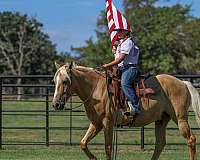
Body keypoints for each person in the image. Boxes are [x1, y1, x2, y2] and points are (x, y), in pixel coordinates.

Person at [102, 28, 140, 115]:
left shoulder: (128, 42)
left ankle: (135, 106)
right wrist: (115, 52)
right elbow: (118, 58)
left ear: (126, 32)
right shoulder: (121, 43)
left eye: (120, 31)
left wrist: (108, 65)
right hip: (122, 68)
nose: (118, 33)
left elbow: (121, 59)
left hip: (130, 68)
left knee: (124, 83)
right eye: (117, 31)